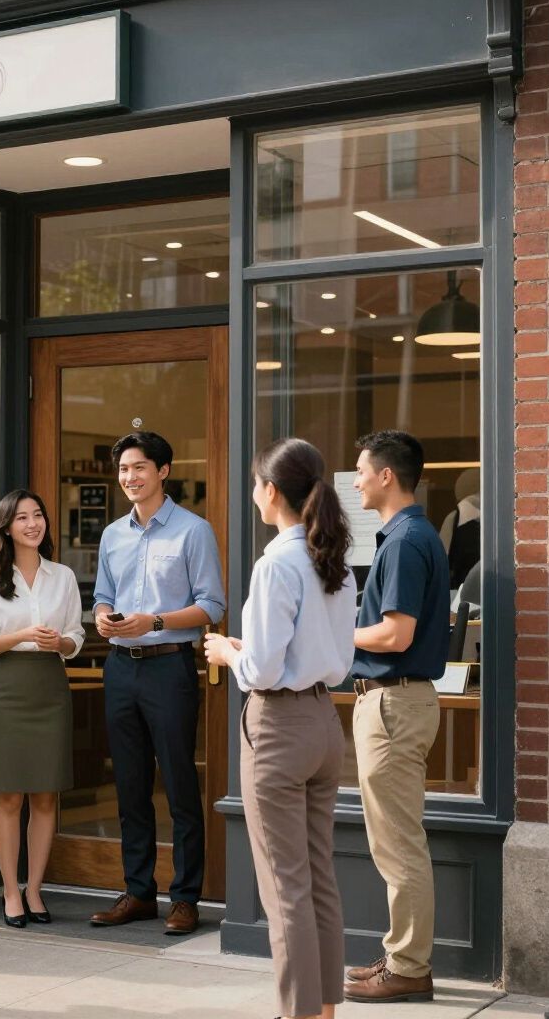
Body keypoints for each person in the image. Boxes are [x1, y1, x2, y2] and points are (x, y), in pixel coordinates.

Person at [204, 438, 355, 1019]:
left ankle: (297, 1014)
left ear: (271, 490)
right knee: (318, 877)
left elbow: (262, 670)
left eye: (255, 484)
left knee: (285, 886)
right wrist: (249, 653)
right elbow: (330, 655)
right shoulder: (331, 559)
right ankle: (323, 1010)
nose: (253, 495)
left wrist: (226, 654)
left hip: (278, 726)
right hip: (323, 719)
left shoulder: (276, 562)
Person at [89, 431, 225, 936]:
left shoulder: (193, 531)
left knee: (179, 784)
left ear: (163, 471)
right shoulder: (112, 535)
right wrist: (104, 617)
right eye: (124, 469)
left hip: (169, 666)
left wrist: (157, 622)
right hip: (120, 668)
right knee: (128, 785)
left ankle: (186, 897)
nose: (130, 477)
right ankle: (139, 890)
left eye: (140, 467)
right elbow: (103, 595)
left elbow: (212, 605)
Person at [343, 430, 449, 1005]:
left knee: (398, 843)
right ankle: (400, 954)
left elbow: (395, 633)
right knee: (395, 840)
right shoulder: (408, 536)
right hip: (396, 702)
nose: (355, 479)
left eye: (360, 470)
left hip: (393, 702)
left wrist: (335, 635)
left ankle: (408, 966)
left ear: (387, 475)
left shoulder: (405, 541)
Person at [0, 489, 84, 928]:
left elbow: (76, 635)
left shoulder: (63, 577)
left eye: (38, 516)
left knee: (45, 792)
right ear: (7, 527)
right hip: (9, 689)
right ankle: (10, 890)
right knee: (9, 794)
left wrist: (62, 642)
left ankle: (35, 888)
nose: (33, 524)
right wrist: (20, 636)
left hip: (50, 686)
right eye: (22, 518)